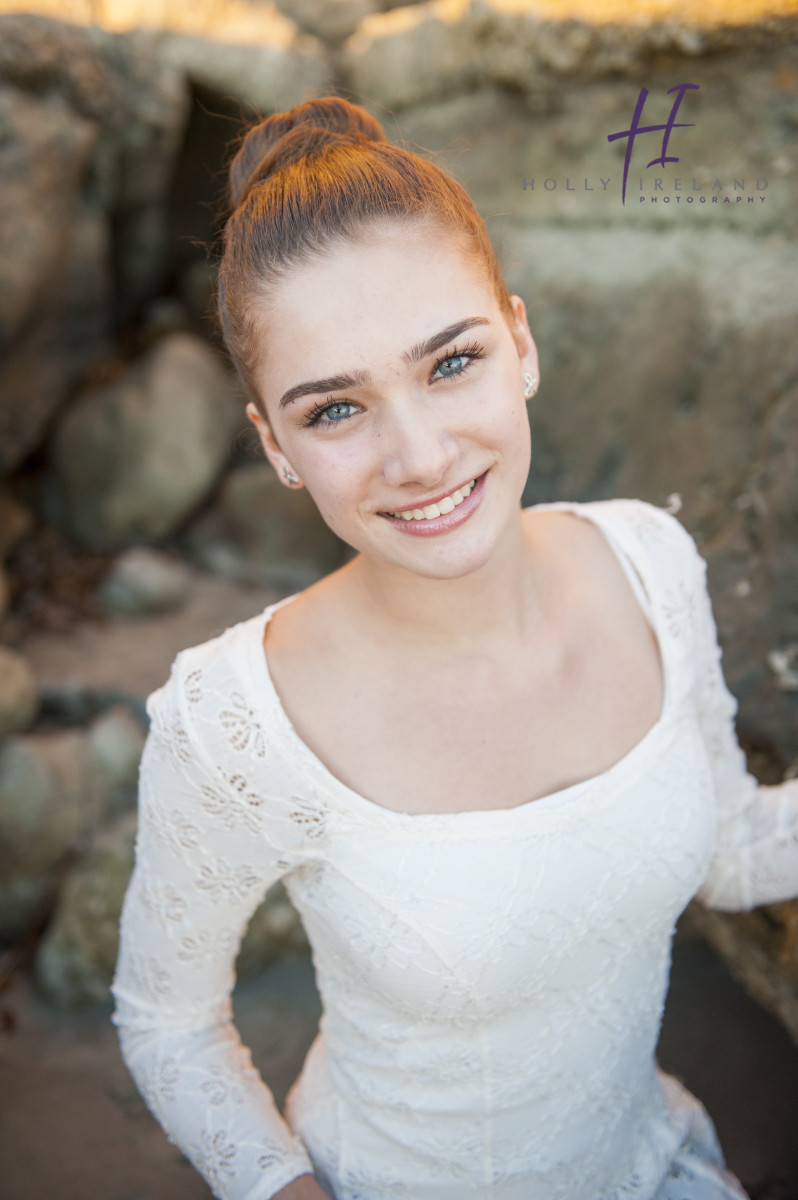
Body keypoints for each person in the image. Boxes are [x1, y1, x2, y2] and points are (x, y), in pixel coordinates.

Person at [111, 96, 798, 1200]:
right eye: (335, 411)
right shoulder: (235, 720)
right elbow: (167, 1020)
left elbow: (730, 848)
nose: (420, 455)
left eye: (451, 363)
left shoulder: (650, 563)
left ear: (519, 343)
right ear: (274, 447)